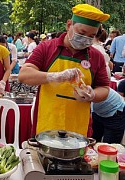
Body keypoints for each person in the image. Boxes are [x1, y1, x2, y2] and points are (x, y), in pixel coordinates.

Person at [18, 4, 110, 136]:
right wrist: (54, 76)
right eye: (82, 33)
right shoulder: (47, 47)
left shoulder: (96, 56)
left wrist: (93, 94)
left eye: (91, 36)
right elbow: (24, 75)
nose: (85, 39)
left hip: (79, 126)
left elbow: (104, 89)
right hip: (47, 123)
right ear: (69, 25)